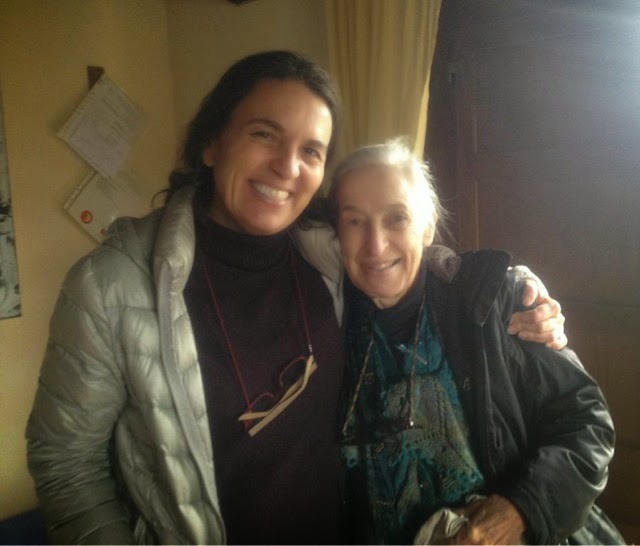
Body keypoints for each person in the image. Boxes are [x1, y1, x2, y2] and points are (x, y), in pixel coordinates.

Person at [26, 51, 565, 545]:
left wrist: (508, 285)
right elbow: (66, 465)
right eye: (265, 134)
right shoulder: (109, 286)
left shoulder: (323, 252)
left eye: (311, 151)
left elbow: (401, 253)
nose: (287, 167)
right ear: (211, 142)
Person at [316, 138, 621, 545]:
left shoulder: (494, 303)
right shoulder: (323, 325)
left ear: (427, 227)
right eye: (354, 221)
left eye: (397, 218)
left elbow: (587, 421)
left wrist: (519, 511)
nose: (375, 244)